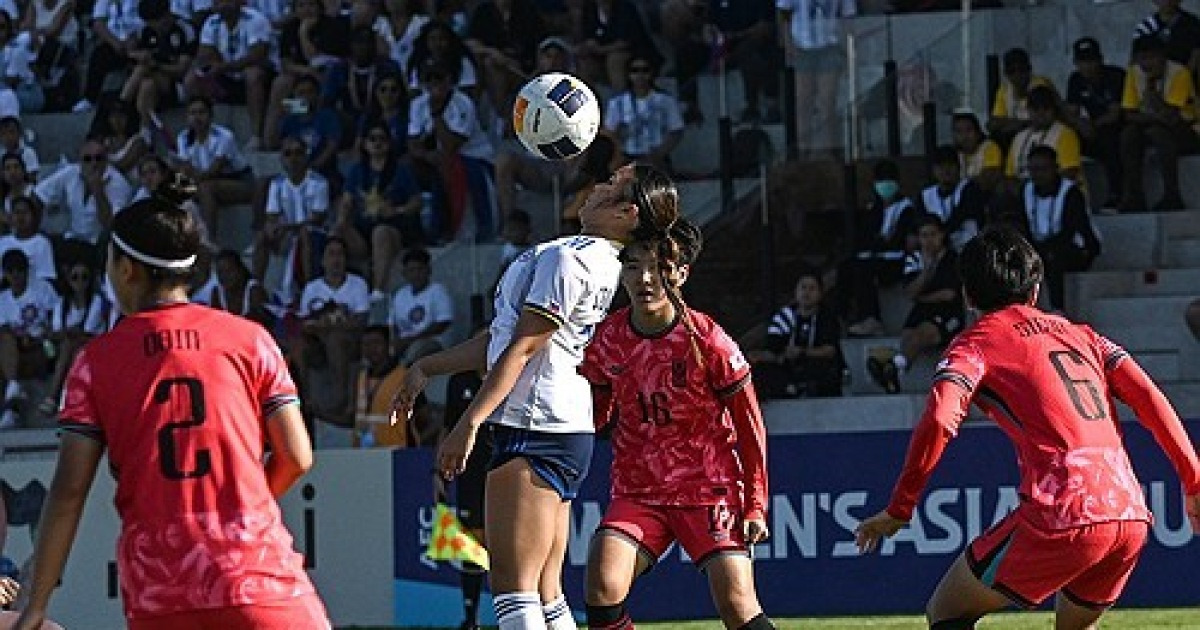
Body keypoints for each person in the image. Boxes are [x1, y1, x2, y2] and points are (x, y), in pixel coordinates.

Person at [9, 195, 330, 629]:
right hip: (260, 582)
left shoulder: (95, 362)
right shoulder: (250, 340)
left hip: (161, 592)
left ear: (126, 269)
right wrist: (239, 512)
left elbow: (68, 492)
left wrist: (37, 606)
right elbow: (297, 457)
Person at [856, 226, 1200, 630]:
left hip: (1064, 512)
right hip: (1128, 513)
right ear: (1035, 291)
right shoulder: (1084, 336)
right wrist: (1194, 483)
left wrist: (901, 508)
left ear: (968, 296)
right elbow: (1150, 399)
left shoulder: (975, 345)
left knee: (947, 612)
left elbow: (938, 418)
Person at [389, 162, 679, 630]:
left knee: (513, 591)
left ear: (627, 213)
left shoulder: (572, 260)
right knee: (546, 593)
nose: (598, 184)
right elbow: (504, 339)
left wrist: (468, 424)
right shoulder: (587, 258)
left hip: (533, 424)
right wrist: (428, 365)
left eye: (612, 185)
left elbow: (523, 348)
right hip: (560, 425)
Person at [579, 221, 774, 630]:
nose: (644, 279)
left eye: (657, 267)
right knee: (601, 586)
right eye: (632, 267)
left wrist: (755, 503)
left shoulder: (709, 340)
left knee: (737, 606)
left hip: (709, 488)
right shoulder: (607, 338)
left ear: (680, 274)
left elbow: (750, 423)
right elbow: (594, 414)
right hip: (638, 492)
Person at [866, 214, 965, 395]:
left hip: (949, 312)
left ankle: (893, 367)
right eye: (924, 236)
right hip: (922, 309)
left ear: (941, 235)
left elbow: (949, 295)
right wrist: (926, 271)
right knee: (908, 337)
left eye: (932, 235)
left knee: (922, 334)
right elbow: (910, 292)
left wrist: (922, 297)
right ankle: (895, 371)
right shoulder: (914, 259)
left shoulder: (953, 259)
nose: (928, 240)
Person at [439, 365, 491, 630]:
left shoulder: (510, 374)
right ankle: (471, 618)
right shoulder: (459, 381)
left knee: (507, 545)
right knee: (472, 545)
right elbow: (448, 427)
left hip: (503, 468)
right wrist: (438, 469)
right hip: (468, 474)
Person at [749, 271, 844, 399]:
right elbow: (773, 348)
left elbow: (830, 350)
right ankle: (788, 389)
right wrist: (759, 356)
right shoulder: (784, 316)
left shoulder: (827, 317)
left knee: (824, 367)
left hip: (814, 366)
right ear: (796, 291)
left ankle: (795, 389)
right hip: (787, 366)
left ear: (820, 294)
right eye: (803, 287)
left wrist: (801, 352)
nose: (807, 293)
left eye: (812, 288)